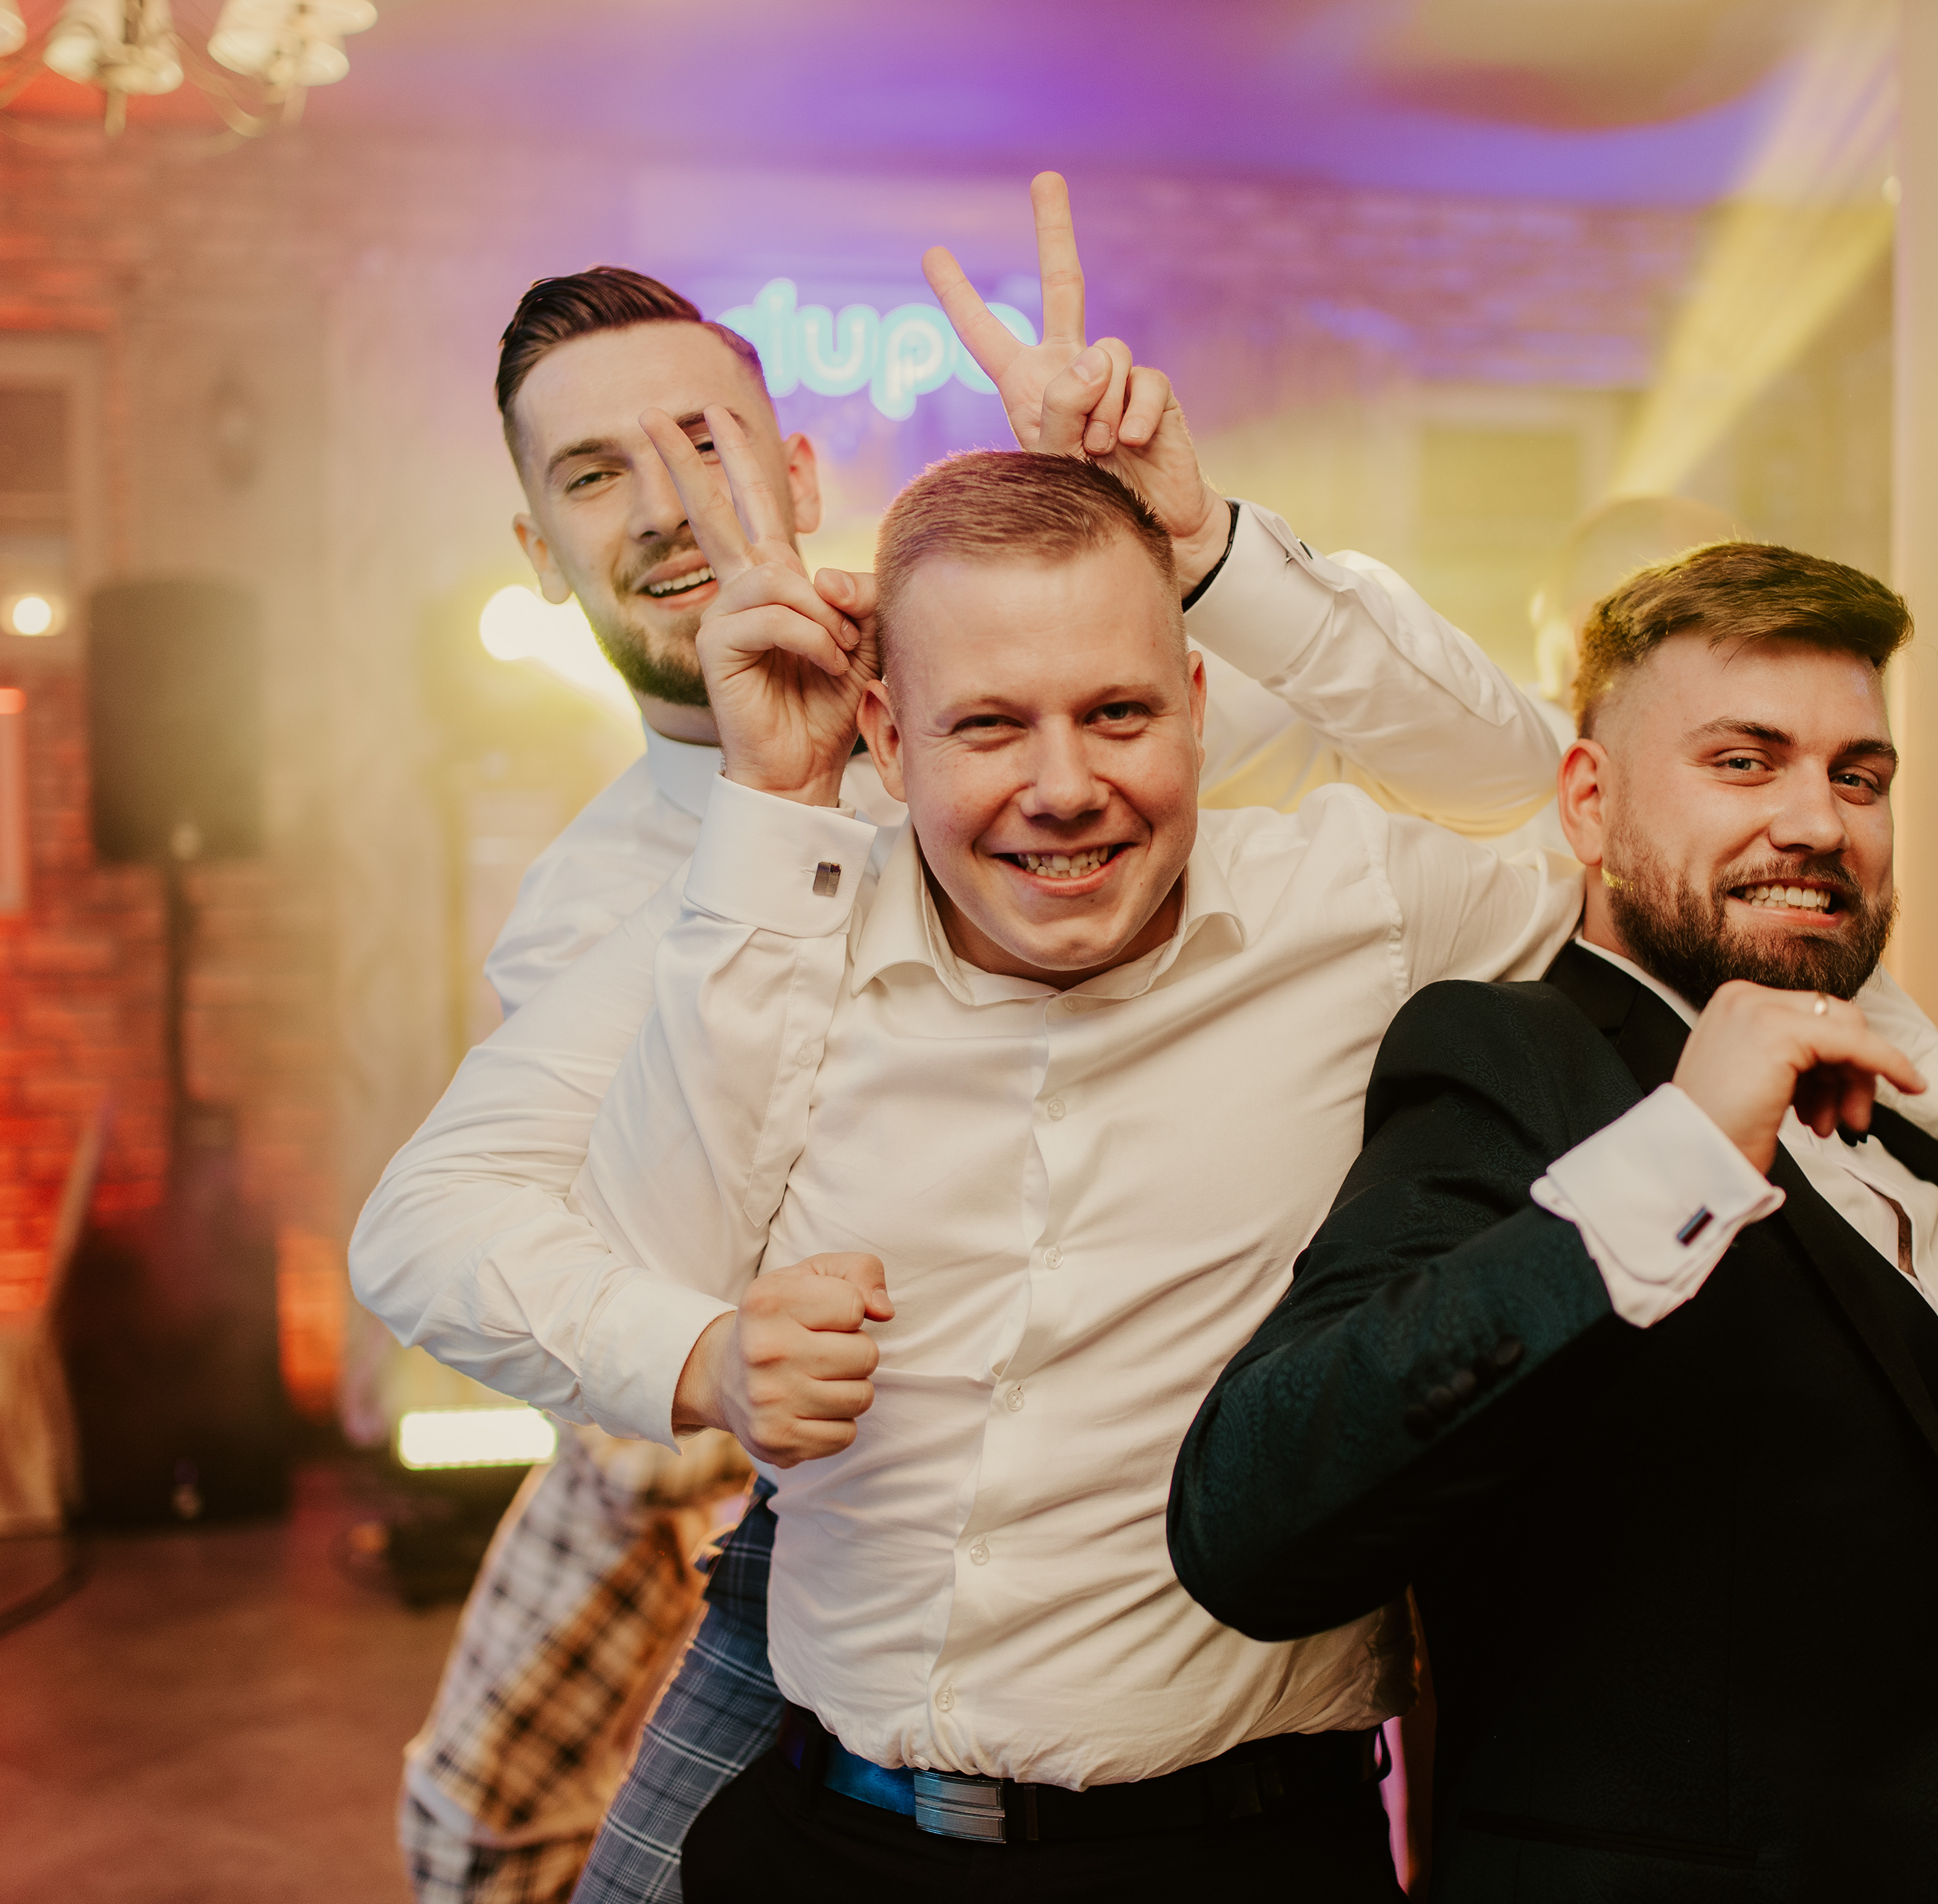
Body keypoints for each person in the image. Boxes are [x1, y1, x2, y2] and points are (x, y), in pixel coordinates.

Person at [485, 440, 1938, 1900]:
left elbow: (1699, 885)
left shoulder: (1363, 906)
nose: (1064, 785)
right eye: (990, 723)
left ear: (1196, 704)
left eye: (1119, 711)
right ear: (887, 721)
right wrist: (706, 1347)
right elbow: (587, 1243)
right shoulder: (774, 920)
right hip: (842, 1828)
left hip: (1245, 1844)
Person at [379, 177, 1580, 1904]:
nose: (665, 506)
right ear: (537, 548)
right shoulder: (601, 902)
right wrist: (703, 1352)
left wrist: (1189, 544)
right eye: (592, 473)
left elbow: (1526, 784)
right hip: (794, 1503)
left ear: (799, 474)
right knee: (542, 1842)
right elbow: (562, 1233)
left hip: (1189, 1662)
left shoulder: (1047, 679)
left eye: (703, 443)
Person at [1165, 542, 1938, 1902]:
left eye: (1860, 777)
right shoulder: (1506, 1060)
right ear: (1589, 803)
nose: (1819, 823)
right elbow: (1256, 1517)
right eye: (1743, 762)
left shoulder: (1918, 1100)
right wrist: (1679, 1153)